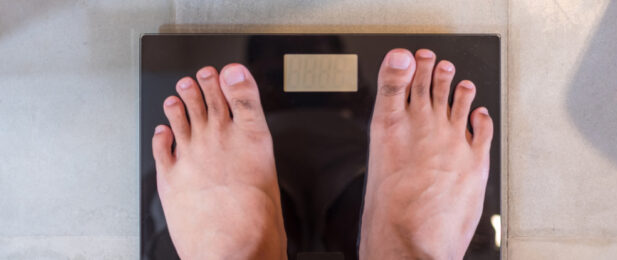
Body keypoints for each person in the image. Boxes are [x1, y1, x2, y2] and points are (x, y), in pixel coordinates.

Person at [151, 48, 494, 259]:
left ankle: (247, 251)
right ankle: (401, 247)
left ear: (358, 94)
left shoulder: (344, 118)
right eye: (273, 80)